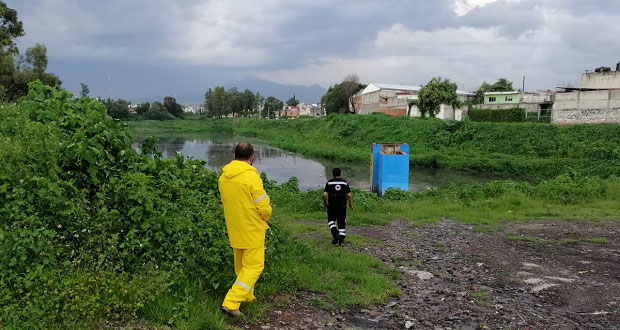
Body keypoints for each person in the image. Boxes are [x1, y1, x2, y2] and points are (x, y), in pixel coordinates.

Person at [218, 143, 272, 317]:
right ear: (251, 158)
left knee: (241, 266)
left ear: (234, 156)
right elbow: (263, 205)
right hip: (252, 228)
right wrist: (266, 216)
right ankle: (231, 302)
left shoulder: (224, 177)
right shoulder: (251, 177)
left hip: (235, 228)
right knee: (254, 266)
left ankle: (247, 296)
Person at [322, 168, 353, 246]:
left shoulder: (329, 183)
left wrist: (325, 203)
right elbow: (349, 195)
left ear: (333, 174)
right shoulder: (345, 183)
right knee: (341, 221)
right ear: (340, 174)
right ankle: (341, 239)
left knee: (331, 221)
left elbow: (324, 194)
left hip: (332, 205)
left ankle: (335, 234)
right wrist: (350, 204)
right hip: (342, 206)